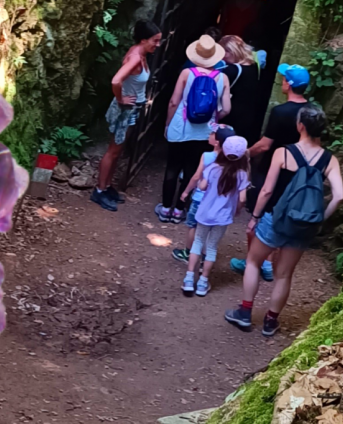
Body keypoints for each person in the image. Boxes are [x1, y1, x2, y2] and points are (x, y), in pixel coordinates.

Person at [225, 105, 343, 335]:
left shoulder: (284, 153)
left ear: (300, 126)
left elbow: (267, 190)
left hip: (275, 218)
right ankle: (271, 321)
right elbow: (339, 196)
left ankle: (245, 312)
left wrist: (255, 217)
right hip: (303, 225)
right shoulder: (330, 160)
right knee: (284, 274)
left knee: (253, 262)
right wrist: (319, 220)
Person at [229, 63, 310, 280]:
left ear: (288, 84)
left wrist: (245, 153)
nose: (282, 81)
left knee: (261, 214)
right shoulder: (311, 111)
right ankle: (267, 261)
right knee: (278, 214)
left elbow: (265, 145)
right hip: (298, 173)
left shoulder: (280, 112)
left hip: (274, 168)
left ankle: (256, 262)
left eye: (284, 78)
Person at [156, 35, 231, 223]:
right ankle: (179, 210)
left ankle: (165, 208)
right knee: (192, 169)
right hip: (204, 131)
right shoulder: (223, 78)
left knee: (173, 167)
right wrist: (213, 118)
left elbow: (174, 101)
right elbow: (227, 109)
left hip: (180, 127)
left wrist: (167, 124)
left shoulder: (186, 73)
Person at [91, 20, 162, 212]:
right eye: (155, 41)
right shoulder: (136, 58)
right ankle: (99, 190)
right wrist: (121, 99)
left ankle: (106, 187)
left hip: (131, 109)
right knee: (113, 150)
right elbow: (116, 80)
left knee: (118, 150)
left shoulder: (139, 52)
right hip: (125, 109)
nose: (157, 45)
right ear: (143, 40)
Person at [181, 136, 250, 297]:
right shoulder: (242, 174)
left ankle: (189, 279)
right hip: (223, 216)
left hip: (205, 212)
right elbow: (243, 198)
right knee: (211, 247)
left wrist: (201, 185)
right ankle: (203, 281)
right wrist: (237, 210)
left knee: (198, 242)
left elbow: (202, 186)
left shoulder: (212, 168)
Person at [171, 124, 236, 263]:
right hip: (219, 202)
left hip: (201, 198)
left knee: (193, 226)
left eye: (212, 133)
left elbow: (196, 177)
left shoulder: (207, 156)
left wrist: (186, 192)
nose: (209, 134)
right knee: (211, 230)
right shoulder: (233, 162)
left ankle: (188, 253)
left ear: (217, 142)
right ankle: (205, 258)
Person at [217, 35, 260, 145]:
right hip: (248, 115)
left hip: (231, 116)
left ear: (232, 51)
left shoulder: (231, 70)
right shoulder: (253, 65)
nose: (222, 57)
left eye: (224, 52)